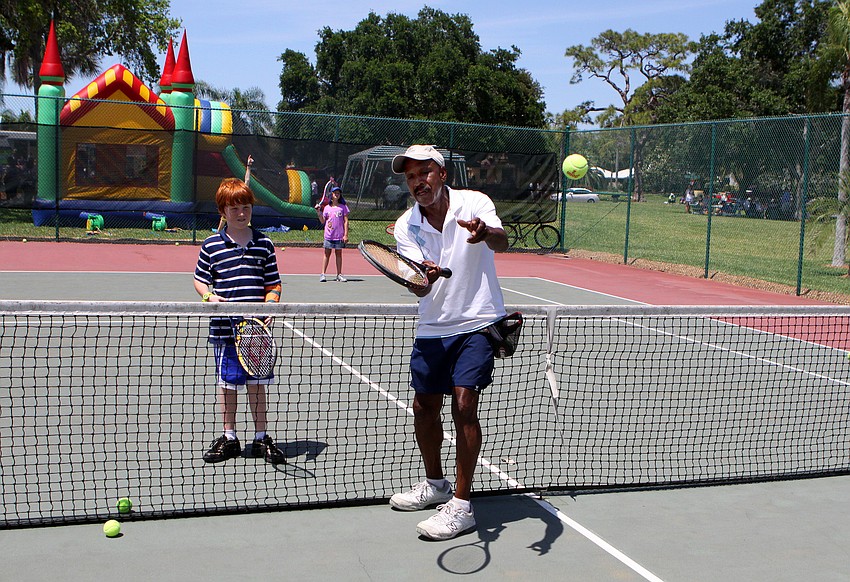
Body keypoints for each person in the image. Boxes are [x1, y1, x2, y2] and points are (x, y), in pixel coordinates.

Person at [387, 144, 509, 541]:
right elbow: (419, 289)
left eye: (424, 173)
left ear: (441, 173)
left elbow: (503, 242)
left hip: (477, 320)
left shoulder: (474, 202)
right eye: (410, 176)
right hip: (433, 327)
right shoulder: (406, 225)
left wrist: (485, 232)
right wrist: (426, 276)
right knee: (423, 407)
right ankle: (435, 485)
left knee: (463, 403)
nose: (418, 182)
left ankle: (460, 505)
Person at [193, 177, 286, 465]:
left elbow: (274, 284)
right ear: (223, 211)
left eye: (246, 207)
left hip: (256, 333)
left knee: (257, 387)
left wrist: (271, 304)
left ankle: (260, 438)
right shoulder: (211, 246)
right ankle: (230, 437)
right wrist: (209, 298)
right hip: (224, 331)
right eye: (234, 209)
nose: (241, 213)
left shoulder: (264, 244)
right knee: (228, 385)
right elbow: (199, 280)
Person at [315, 186, 350, 282]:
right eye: (335, 193)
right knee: (327, 254)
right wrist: (318, 212)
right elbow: (322, 221)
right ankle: (323, 274)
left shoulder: (343, 207)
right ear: (331, 195)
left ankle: (339, 274)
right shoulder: (326, 208)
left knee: (338, 254)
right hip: (329, 235)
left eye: (338, 193)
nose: (336, 194)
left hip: (339, 236)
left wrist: (345, 235)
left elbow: (346, 221)